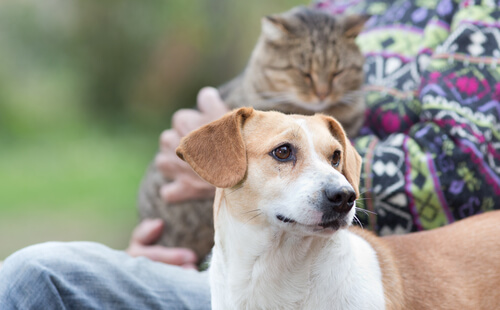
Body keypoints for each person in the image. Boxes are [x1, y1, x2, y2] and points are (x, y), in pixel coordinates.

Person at [1, 0, 499, 308]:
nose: (342, 186)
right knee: (39, 276)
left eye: (334, 160)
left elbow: (468, 164)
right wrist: (169, 232)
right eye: (285, 154)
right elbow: (243, 141)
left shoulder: (479, 14)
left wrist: (284, 162)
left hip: (354, 277)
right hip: (226, 281)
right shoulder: (328, 11)